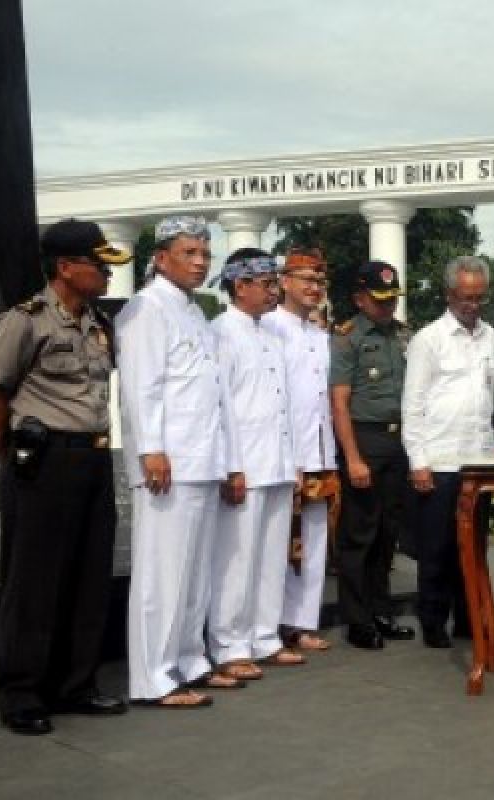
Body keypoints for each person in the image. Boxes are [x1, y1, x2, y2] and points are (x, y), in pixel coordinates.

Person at [0, 219, 129, 734]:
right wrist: (9, 456)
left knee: (88, 579)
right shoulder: (23, 322)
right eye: (99, 265)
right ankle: (20, 692)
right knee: (33, 584)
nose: (108, 275)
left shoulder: (97, 323)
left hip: (92, 458)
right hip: (44, 463)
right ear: (66, 267)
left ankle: (75, 684)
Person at [116, 216, 243, 708]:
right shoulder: (146, 309)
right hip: (167, 461)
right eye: (189, 253)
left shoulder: (193, 311)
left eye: (204, 254)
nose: (199, 262)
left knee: (193, 575)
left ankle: (189, 661)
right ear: (161, 256)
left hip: (201, 457)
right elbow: (140, 387)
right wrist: (151, 449)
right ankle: (154, 677)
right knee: (162, 576)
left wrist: (225, 459)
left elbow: (211, 394)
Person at [207, 249, 302, 678]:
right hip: (244, 461)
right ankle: (229, 643)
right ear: (239, 285)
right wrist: (230, 465)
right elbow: (220, 405)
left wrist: (294, 461)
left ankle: (264, 635)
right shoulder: (220, 334)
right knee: (237, 559)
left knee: (269, 557)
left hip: (277, 460)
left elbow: (285, 404)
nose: (273, 291)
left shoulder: (271, 334)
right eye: (265, 284)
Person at [402, 255, 494, 649]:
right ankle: (433, 620)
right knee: (438, 547)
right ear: (448, 294)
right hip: (440, 459)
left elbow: (489, 397)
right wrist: (418, 461)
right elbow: (413, 404)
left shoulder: (490, 336)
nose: (472, 305)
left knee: (475, 545)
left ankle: (470, 617)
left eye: (479, 297)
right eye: (465, 297)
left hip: (478, 458)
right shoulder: (429, 340)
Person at [329, 261, 415, 650]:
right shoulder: (347, 339)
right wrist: (352, 457)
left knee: (387, 534)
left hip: (399, 442)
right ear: (359, 299)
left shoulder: (402, 335)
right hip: (364, 439)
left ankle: (382, 611)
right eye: (379, 300)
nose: (387, 307)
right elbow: (340, 403)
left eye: (391, 299)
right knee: (359, 535)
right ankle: (358, 620)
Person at [262, 246, 337, 653]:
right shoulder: (270, 327)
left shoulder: (321, 334)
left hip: (322, 452)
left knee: (315, 540)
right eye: (306, 280)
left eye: (319, 281)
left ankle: (304, 621)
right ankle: (270, 623)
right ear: (284, 282)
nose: (313, 288)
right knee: (279, 543)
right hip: (284, 454)